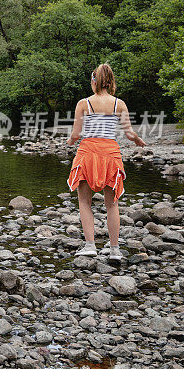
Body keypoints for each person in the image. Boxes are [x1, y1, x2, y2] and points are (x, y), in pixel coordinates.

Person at [67, 63, 146, 262]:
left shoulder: (84, 103)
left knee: (84, 201)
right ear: (110, 81)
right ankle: (114, 250)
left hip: (88, 153)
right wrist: (137, 139)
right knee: (112, 204)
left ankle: (90, 245)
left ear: (94, 81)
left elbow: (76, 134)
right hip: (111, 154)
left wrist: (69, 141)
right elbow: (129, 133)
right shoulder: (119, 104)